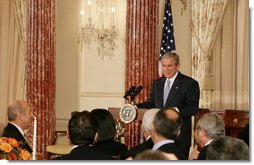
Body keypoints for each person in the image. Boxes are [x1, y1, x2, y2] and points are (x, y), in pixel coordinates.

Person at [137, 52, 200, 157]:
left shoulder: (190, 83)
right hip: (158, 135)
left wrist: (175, 110)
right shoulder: (157, 83)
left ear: (177, 65)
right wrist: (134, 108)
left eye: (170, 65)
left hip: (178, 134)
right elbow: (151, 103)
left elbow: (193, 108)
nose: (166, 69)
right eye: (164, 66)